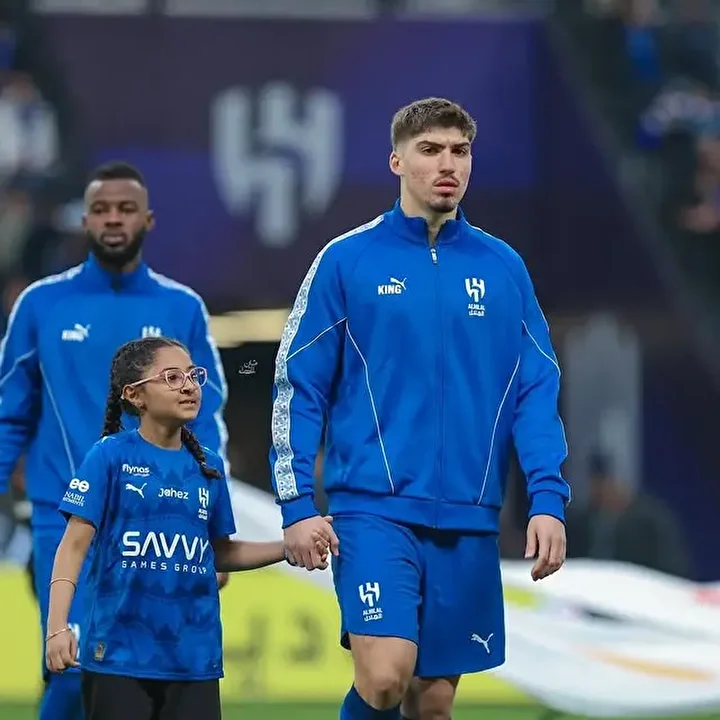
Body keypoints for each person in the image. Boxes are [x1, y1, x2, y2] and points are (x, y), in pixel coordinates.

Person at [269, 97, 571, 720]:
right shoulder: (347, 260)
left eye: (460, 151)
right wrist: (296, 504)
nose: (447, 165)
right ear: (397, 161)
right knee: (385, 678)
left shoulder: (503, 268)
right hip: (371, 510)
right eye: (430, 150)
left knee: (432, 704)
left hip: (469, 515)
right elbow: (298, 388)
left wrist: (547, 498)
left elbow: (536, 390)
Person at [0, 161, 230, 720]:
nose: (112, 219)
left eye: (125, 209)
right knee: (70, 667)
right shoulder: (40, 305)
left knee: (141, 680)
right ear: (84, 221)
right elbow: (9, 415)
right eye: (101, 210)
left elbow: (206, 421)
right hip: (65, 517)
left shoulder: (182, 307)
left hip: (162, 523)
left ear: (148, 220)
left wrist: (215, 528)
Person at [45, 337, 333, 720]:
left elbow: (221, 553)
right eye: (172, 377)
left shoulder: (208, 468)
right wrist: (57, 627)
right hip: (118, 656)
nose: (189, 386)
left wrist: (288, 547)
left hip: (195, 661)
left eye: (193, 376)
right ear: (135, 395)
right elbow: (73, 547)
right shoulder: (109, 456)